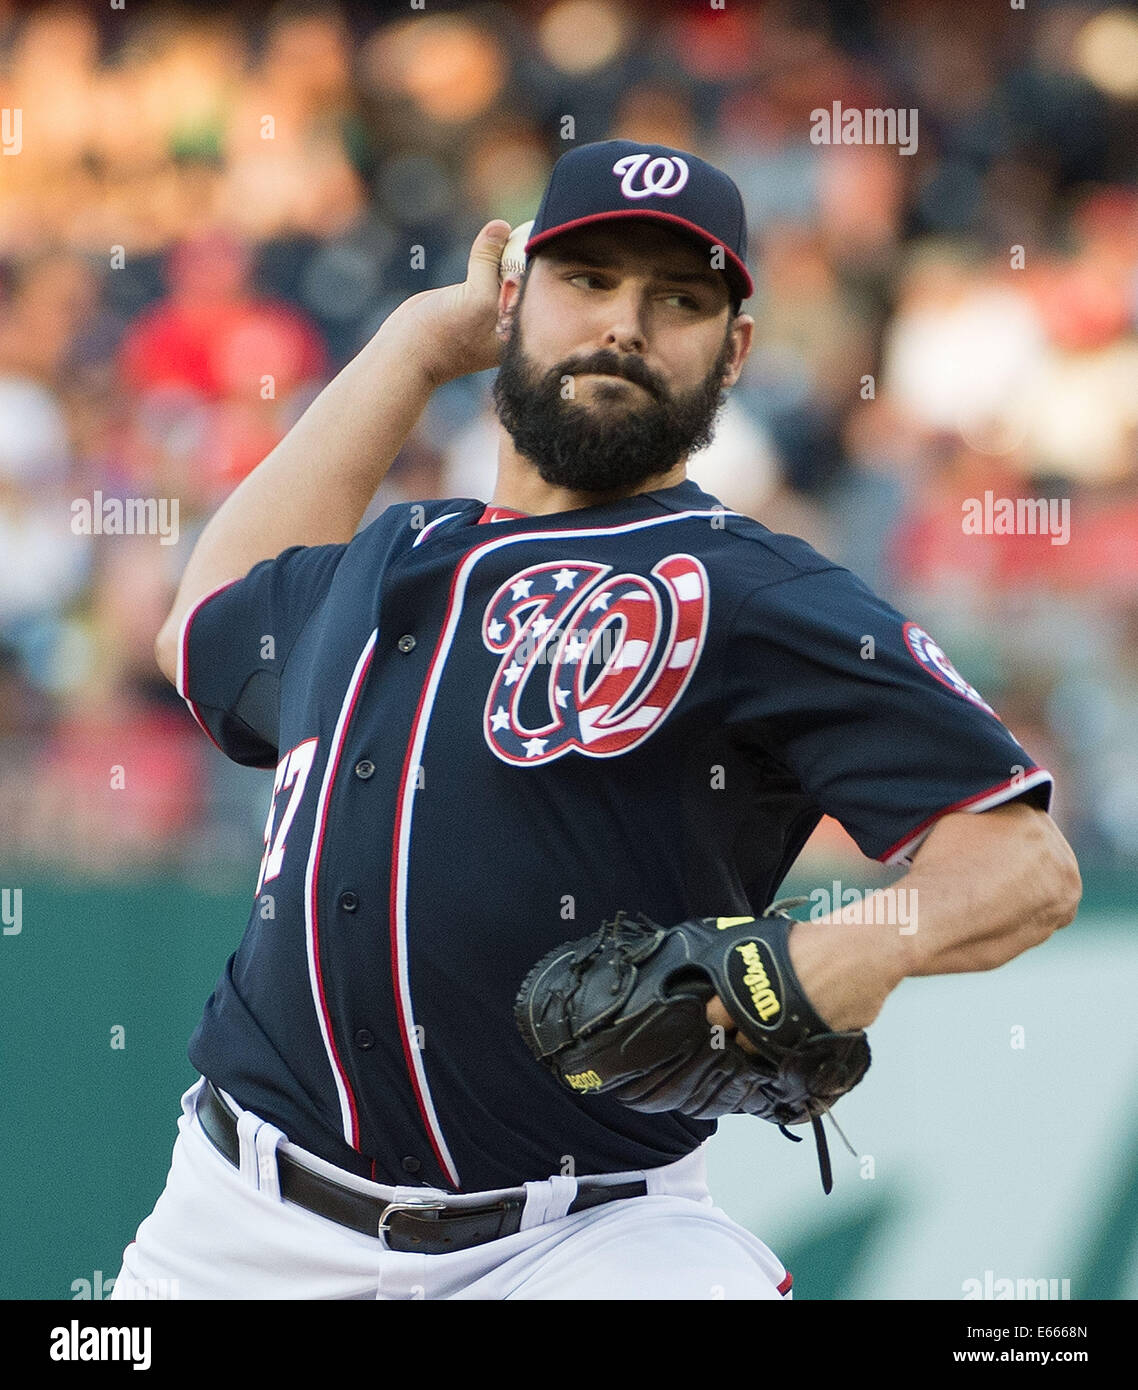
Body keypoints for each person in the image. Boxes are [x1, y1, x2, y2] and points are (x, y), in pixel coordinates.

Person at [112, 141, 1081, 1301]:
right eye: (587, 280)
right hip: (239, 1221)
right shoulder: (380, 560)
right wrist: (416, 348)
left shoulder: (754, 589)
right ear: (513, 300)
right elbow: (203, 625)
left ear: (735, 350)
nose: (626, 322)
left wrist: (836, 955)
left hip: (586, 1243)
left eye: (679, 299)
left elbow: (1023, 861)